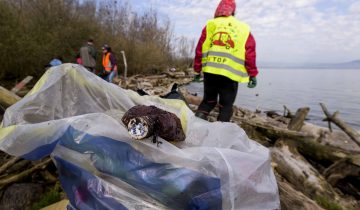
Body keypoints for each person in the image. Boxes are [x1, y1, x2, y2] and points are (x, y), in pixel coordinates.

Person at [193, 0, 258, 122]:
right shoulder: (243, 28)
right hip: (230, 74)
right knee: (226, 106)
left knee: (208, 102)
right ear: (233, 11)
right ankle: (220, 138)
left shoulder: (211, 24)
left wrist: (197, 70)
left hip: (210, 72)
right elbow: (250, 53)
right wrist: (252, 74)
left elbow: (200, 49)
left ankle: (193, 130)